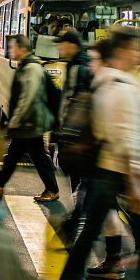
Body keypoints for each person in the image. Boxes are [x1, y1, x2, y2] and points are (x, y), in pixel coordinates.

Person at [55, 26, 140, 280]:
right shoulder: (123, 86)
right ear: (124, 50)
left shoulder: (102, 81)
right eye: (138, 48)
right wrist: (135, 183)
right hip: (120, 173)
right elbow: (127, 138)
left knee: (95, 232)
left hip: (104, 169)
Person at [0, 34, 59, 201]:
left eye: (12, 47)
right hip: (28, 122)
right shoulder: (26, 66)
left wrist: (16, 119)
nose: (10, 50)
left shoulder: (31, 68)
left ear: (22, 49)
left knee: (35, 156)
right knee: (15, 154)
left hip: (30, 122)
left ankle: (52, 189)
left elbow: (28, 97)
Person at [56, 29, 94, 236]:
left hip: (77, 135)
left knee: (84, 183)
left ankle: (76, 222)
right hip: (79, 135)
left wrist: (67, 131)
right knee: (84, 183)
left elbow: (76, 102)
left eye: (61, 44)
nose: (59, 48)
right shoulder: (78, 64)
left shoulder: (78, 68)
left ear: (71, 45)